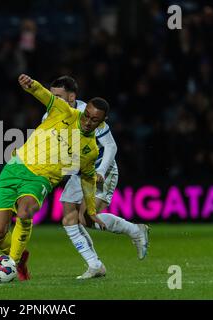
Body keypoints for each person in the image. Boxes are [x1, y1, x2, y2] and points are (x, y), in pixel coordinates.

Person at [0, 73, 107, 280]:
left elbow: (87, 179)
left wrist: (91, 209)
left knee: (25, 211)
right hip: (15, 168)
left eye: (94, 120)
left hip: (41, 179)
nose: (88, 121)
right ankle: (20, 256)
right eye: (87, 115)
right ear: (84, 110)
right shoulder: (65, 112)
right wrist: (31, 84)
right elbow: (44, 95)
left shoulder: (91, 150)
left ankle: (13, 264)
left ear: (102, 123)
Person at [43, 76, 149, 279]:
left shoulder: (87, 113)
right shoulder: (48, 116)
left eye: (58, 96)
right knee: (68, 218)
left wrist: (101, 170)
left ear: (72, 97)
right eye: (51, 95)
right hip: (79, 172)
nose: (52, 99)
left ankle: (135, 230)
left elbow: (111, 146)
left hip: (101, 171)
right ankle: (95, 265)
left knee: (85, 217)